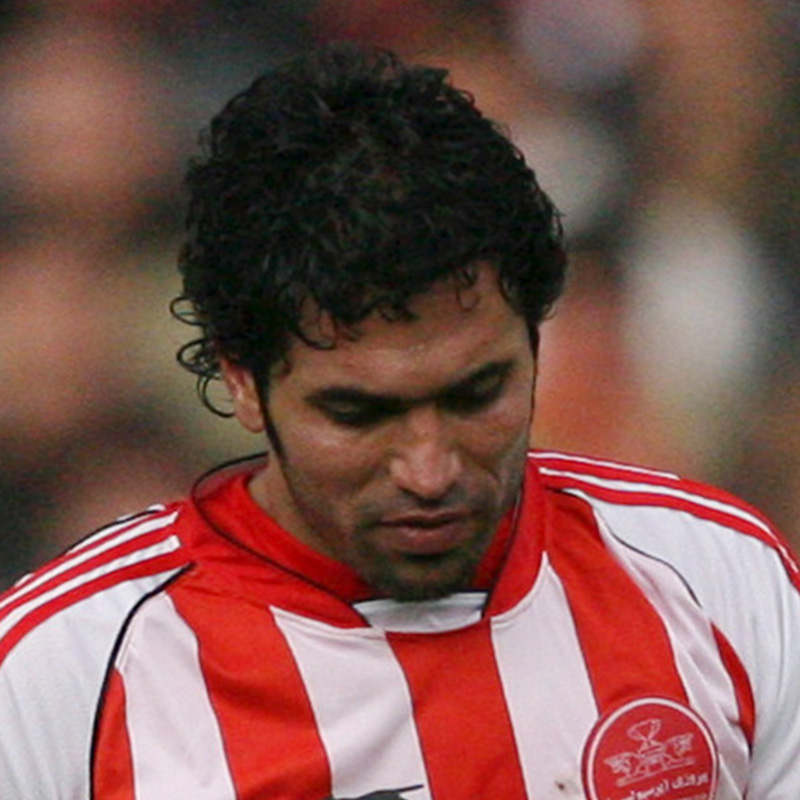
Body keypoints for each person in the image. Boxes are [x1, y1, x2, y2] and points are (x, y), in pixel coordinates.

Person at [1, 42, 799, 800]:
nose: (430, 469)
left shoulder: (718, 579)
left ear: (534, 342)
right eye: (360, 413)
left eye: (477, 394)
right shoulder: (64, 675)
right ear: (242, 379)